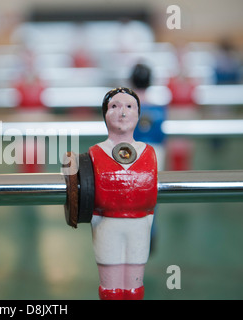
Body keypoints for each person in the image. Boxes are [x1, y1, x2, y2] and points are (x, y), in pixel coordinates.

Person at [88, 87, 158, 300]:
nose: (123, 112)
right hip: (107, 226)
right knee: (111, 288)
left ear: (138, 113)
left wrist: (147, 220)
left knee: (134, 286)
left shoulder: (149, 152)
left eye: (129, 106)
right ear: (105, 114)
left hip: (138, 226)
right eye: (115, 106)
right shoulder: (95, 153)